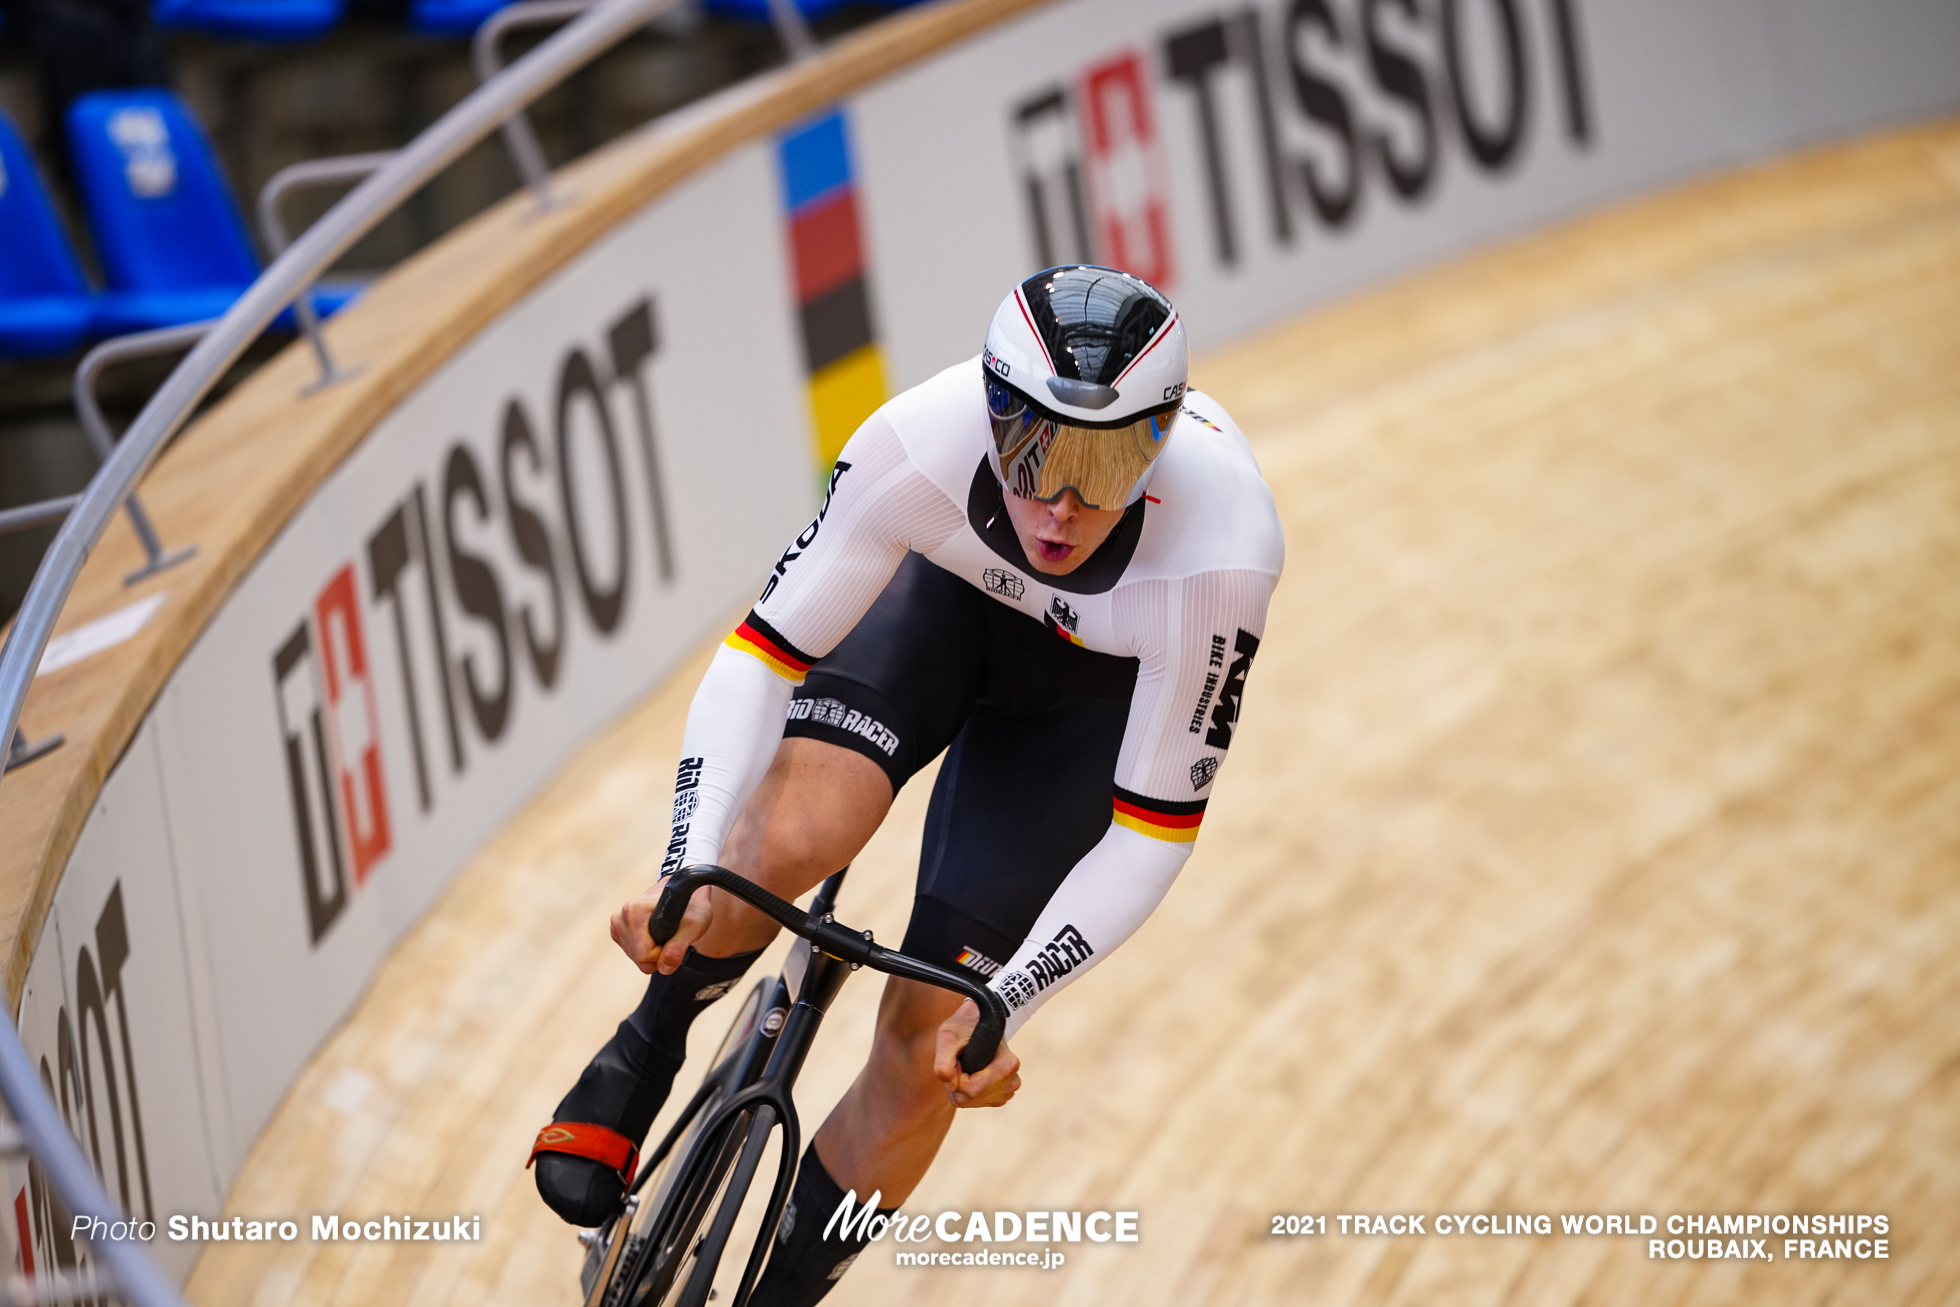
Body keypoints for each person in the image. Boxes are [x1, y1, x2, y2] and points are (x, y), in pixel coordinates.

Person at [528, 265, 1283, 1305]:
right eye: (1031, 452)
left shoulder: (1222, 557)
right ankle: (651, 1035)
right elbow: (763, 653)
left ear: (1158, 444)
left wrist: (1008, 1000)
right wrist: (685, 858)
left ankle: (783, 1289)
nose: (1060, 506)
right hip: (944, 608)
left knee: (933, 1042)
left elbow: (1152, 830)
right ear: (989, 411)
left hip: (1085, 701)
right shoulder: (913, 444)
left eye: (1103, 467)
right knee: (797, 831)